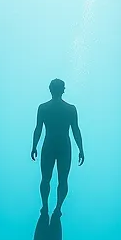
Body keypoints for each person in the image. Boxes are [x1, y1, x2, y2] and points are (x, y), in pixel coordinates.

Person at [31, 78, 84, 215]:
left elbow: (38, 129)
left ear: (50, 89)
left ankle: (45, 206)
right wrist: (81, 149)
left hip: (48, 145)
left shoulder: (43, 108)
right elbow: (76, 131)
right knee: (63, 179)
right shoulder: (71, 109)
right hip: (64, 147)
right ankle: (58, 207)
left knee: (45, 178)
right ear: (63, 90)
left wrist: (34, 146)